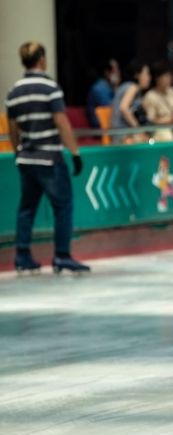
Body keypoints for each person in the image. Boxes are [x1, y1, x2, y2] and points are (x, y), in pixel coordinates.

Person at [5, 41, 90, 274]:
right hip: (49, 158)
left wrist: (18, 151)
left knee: (27, 207)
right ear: (41, 59)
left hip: (27, 158)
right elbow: (61, 122)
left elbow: (12, 128)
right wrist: (75, 152)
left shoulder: (14, 91)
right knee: (63, 206)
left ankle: (22, 255)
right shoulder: (50, 88)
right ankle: (62, 255)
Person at [142, 61, 173, 142]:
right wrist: (170, 120)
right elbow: (151, 121)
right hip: (159, 131)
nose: (169, 79)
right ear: (157, 78)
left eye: (170, 76)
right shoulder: (150, 96)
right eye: (166, 76)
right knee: (167, 136)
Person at [111, 60, 151, 143]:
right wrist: (139, 130)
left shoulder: (137, 92)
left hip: (129, 132)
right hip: (122, 134)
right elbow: (123, 108)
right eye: (146, 74)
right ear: (137, 75)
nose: (149, 77)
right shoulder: (132, 87)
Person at [86, 58, 120, 128]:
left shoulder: (109, 86)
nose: (118, 73)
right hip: (99, 127)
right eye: (115, 70)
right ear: (107, 72)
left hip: (109, 123)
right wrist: (116, 87)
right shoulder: (100, 87)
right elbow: (112, 108)